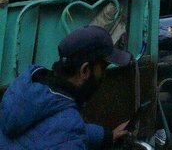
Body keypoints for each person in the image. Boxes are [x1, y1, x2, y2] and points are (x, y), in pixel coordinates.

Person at [0, 25, 131, 150]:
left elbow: (52, 128)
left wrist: (107, 137)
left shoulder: (29, 87)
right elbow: (65, 129)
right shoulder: (69, 128)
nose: (103, 74)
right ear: (84, 70)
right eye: (102, 68)